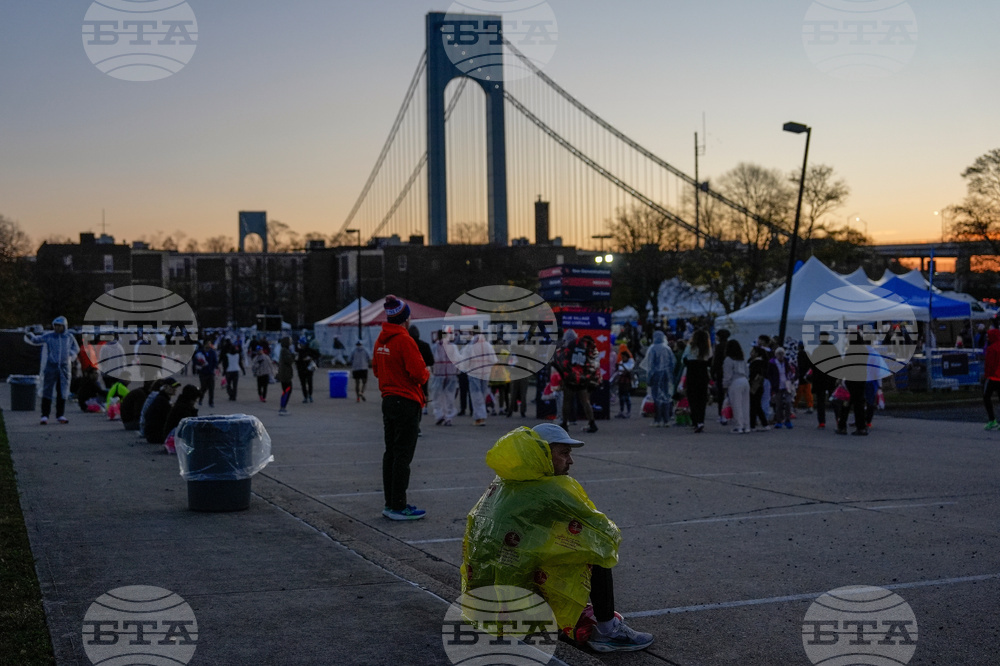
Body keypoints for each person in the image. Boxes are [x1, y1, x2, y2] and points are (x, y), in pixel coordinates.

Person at [462, 424, 654, 653]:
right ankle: (607, 630)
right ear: (541, 454)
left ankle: (563, 617)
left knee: (556, 548)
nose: (570, 461)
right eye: (564, 453)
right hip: (517, 591)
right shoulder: (551, 489)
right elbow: (604, 533)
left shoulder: (503, 482)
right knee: (597, 551)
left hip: (490, 599)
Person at [372, 296, 430, 520]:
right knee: (403, 455)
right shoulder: (405, 341)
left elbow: (376, 370)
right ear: (405, 319)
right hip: (406, 401)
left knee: (391, 453)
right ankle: (399, 505)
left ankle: (391, 503)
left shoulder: (381, 340)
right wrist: (425, 373)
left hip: (388, 400)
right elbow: (418, 373)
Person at [24, 316, 80, 425]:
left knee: (62, 391)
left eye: (59, 326)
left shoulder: (69, 337)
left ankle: (60, 415)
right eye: (56, 326)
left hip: (64, 368)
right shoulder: (49, 336)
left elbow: (75, 348)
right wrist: (29, 334)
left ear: (64, 326)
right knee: (47, 390)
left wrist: (71, 355)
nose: (57, 328)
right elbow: (36, 340)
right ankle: (44, 415)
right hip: (51, 366)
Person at [553, 329, 600, 433]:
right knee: (585, 401)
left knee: (567, 400)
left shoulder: (567, 348)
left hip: (571, 377)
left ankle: (565, 423)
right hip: (582, 377)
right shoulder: (583, 347)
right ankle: (592, 423)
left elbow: (562, 363)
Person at [459, 325, 496, 426]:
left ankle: (479, 418)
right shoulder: (487, 345)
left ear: (472, 333)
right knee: (482, 395)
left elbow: (465, 361)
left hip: (474, 373)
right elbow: (493, 359)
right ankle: (481, 417)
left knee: (476, 397)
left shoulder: (471, 345)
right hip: (485, 374)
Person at [806, 331, 839, 429]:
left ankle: (821, 422)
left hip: (819, 379)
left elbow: (813, 366)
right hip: (831, 378)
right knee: (834, 400)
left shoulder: (817, 350)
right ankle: (838, 419)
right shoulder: (833, 349)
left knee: (821, 402)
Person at [641, 330, 674, 428]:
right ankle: (666, 419)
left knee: (657, 398)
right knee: (666, 397)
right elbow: (673, 362)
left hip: (656, 375)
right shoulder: (667, 349)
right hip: (666, 376)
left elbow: (650, 365)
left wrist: (649, 378)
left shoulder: (653, 349)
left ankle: (658, 419)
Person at [683, 330, 712, 433]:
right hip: (703, 374)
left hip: (692, 373)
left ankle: (695, 421)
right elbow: (709, 361)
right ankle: (701, 421)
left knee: (692, 399)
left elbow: (684, 359)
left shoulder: (690, 347)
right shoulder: (707, 348)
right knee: (702, 399)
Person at [430, 328, 458, 426]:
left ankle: (439, 415)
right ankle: (448, 417)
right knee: (449, 396)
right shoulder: (452, 347)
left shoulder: (435, 347)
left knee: (438, 396)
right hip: (451, 374)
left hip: (439, 374)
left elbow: (432, 360)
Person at [723, 339, 750, 434]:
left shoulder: (728, 359)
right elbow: (747, 371)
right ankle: (746, 426)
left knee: (736, 405)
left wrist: (725, 385)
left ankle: (738, 426)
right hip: (745, 381)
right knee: (745, 405)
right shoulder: (742, 358)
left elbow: (727, 375)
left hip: (735, 382)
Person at [768, 347, 796, 429]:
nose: (780, 356)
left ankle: (788, 420)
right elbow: (769, 374)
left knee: (788, 402)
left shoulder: (788, 362)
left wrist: (793, 378)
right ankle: (779, 421)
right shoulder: (772, 363)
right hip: (777, 385)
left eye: (782, 354)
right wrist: (772, 384)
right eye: (779, 354)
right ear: (776, 355)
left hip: (787, 384)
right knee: (778, 404)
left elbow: (794, 370)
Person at [144, 380, 180, 444]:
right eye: (172, 387)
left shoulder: (161, 398)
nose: (175, 389)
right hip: (156, 436)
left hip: (152, 435)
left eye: (175, 387)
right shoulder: (162, 401)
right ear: (165, 387)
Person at [747, 345, 770, 432]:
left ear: (757, 353)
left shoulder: (756, 363)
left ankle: (754, 424)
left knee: (754, 406)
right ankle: (763, 424)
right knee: (756, 405)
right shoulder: (761, 362)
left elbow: (754, 375)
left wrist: (750, 383)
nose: (750, 353)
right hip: (759, 386)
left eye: (752, 351)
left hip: (755, 386)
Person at [711, 329, 731, 424]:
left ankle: (722, 414)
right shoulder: (730, 346)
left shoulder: (718, 347)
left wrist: (712, 372)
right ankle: (729, 414)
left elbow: (716, 361)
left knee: (721, 395)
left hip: (720, 372)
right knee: (729, 394)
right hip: (730, 373)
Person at [984, 328, 1000, 430]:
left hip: (993, 377)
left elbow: (989, 364)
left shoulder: (991, 348)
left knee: (986, 397)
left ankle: (992, 419)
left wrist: (987, 375)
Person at [193, 340, 218, 408]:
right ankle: (200, 399)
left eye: (210, 344)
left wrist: (214, 367)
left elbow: (215, 361)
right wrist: (200, 364)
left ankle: (211, 402)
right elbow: (195, 361)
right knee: (203, 387)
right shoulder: (200, 352)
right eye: (207, 344)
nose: (209, 345)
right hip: (203, 372)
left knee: (211, 388)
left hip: (210, 372)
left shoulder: (212, 352)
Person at [613, 343, 635, 419]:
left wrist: (622, 367)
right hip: (621, 382)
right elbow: (619, 371)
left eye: (624, 357)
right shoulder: (621, 362)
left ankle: (628, 412)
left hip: (626, 382)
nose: (622, 358)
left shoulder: (630, 361)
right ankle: (621, 411)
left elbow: (629, 370)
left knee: (627, 397)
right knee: (621, 397)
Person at [295, 335, 318, 403]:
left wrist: (311, 358)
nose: (300, 345)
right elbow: (297, 360)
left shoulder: (309, 350)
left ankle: (310, 395)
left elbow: (317, 355)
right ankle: (305, 396)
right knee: (303, 384)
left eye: (301, 344)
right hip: (301, 370)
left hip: (308, 370)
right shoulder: (298, 351)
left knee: (310, 383)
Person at [277, 336, 295, 415]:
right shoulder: (285, 351)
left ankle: (283, 407)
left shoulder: (283, 350)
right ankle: (283, 407)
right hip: (286, 375)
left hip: (284, 374)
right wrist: (293, 355)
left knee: (286, 391)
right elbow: (289, 361)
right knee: (287, 390)